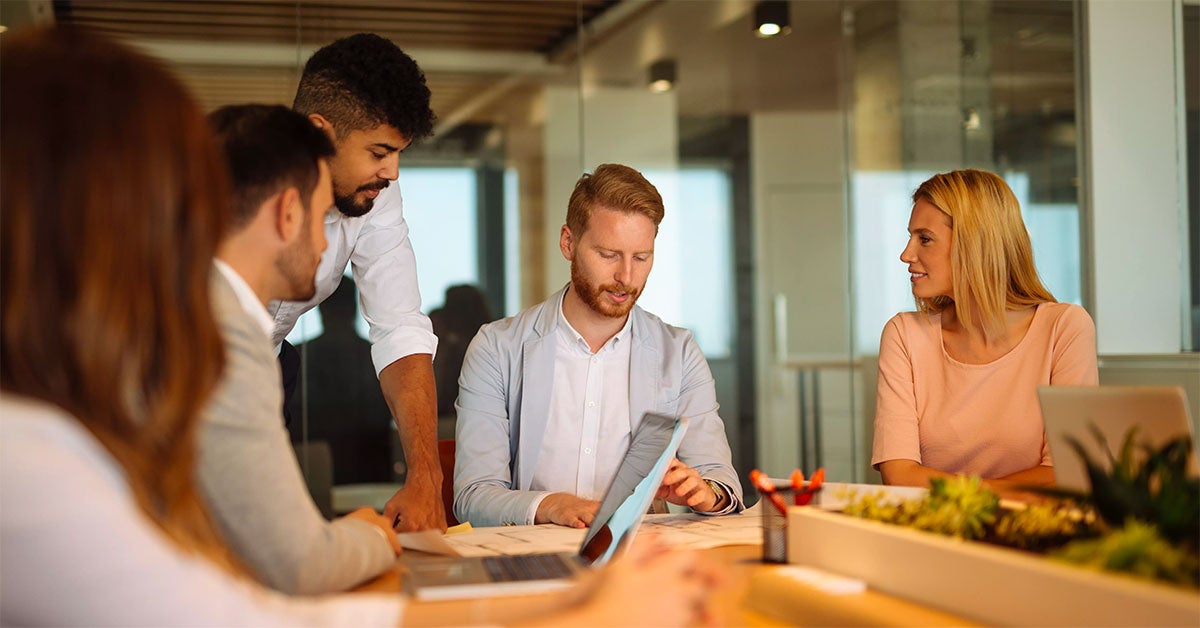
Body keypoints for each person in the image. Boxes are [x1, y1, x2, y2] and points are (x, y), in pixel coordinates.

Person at [0, 26, 724, 627]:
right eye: (170, 194)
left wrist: (420, 476)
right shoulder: (192, 355)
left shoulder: (60, 423)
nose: (324, 255)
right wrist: (589, 614)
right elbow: (269, 590)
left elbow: (399, 323)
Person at [454, 164, 745, 528]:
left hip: (638, 564)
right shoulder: (497, 348)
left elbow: (722, 481)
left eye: (641, 257)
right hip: (534, 560)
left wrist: (707, 493)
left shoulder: (680, 352)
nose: (626, 277)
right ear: (568, 243)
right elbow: (473, 497)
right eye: (608, 255)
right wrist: (551, 505)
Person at [201, 103, 400, 595]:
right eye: (321, 219)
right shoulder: (225, 342)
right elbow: (300, 563)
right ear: (287, 214)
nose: (325, 247)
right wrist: (374, 533)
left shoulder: (185, 312)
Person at [274, 33, 443, 532]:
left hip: (269, 365)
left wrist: (425, 477)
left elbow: (398, 326)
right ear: (319, 134)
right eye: (378, 152)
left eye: (398, 154)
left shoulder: (374, 192)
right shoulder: (231, 182)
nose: (391, 172)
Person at [871, 169, 1098, 494]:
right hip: (932, 535)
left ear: (973, 243)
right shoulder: (904, 335)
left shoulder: (1064, 329)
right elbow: (899, 475)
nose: (906, 255)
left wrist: (966, 495)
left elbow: (1066, 473)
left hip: (1034, 538)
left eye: (924, 239)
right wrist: (1009, 490)